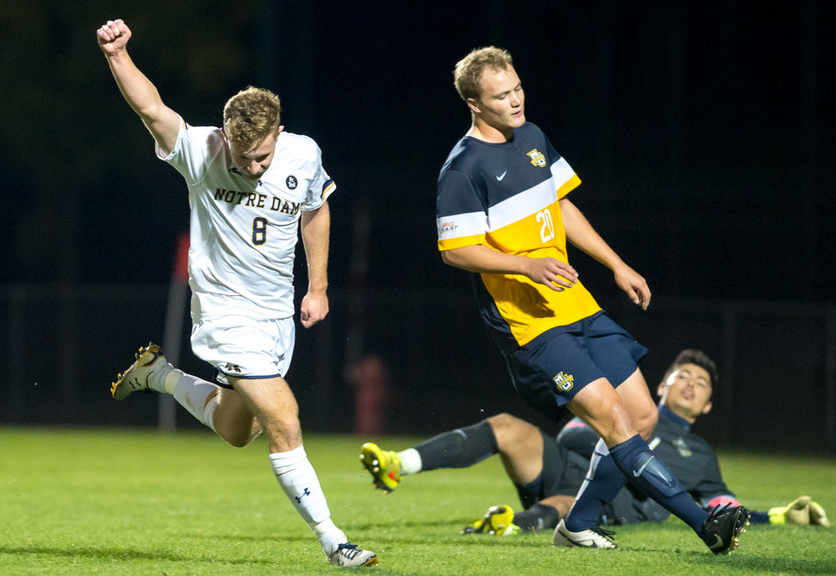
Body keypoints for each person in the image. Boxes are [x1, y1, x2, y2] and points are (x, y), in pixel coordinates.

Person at [430, 45, 749, 554]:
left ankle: (576, 524)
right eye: (501, 96)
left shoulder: (532, 136)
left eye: (518, 88)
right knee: (614, 420)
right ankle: (705, 525)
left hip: (577, 305)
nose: (516, 100)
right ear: (474, 103)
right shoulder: (462, 168)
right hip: (531, 323)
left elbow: (561, 207)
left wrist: (617, 264)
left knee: (642, 416)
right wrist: (526, 264)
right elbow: (456, 250)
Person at [96, 19, 377, 568]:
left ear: (279, 135)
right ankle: (334, 541)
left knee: (236, 430)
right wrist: (117, 55)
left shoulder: (303, 153)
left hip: (276, 316)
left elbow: (316, 210)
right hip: (225, 315)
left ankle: (158, 374)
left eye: (262, 157)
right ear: (224, 135)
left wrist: (318, 287)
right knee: (284, 420)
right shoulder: (200, 150)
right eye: (242, 155)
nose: (252, 167)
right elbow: (152, 109)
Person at [361, 349, 831, 536]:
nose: (690, 383)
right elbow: (572, 430)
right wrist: (624, 447)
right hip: (563, 463)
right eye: (681, 375)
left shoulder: (703, 457)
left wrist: (780, 515)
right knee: (506, 425)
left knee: (573, 500)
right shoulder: (633, 409)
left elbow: (723, 505)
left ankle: (508, 527)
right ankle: (400, 462)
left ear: (707, 405)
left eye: (700, 383)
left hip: (607, 501)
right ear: (661, 385)